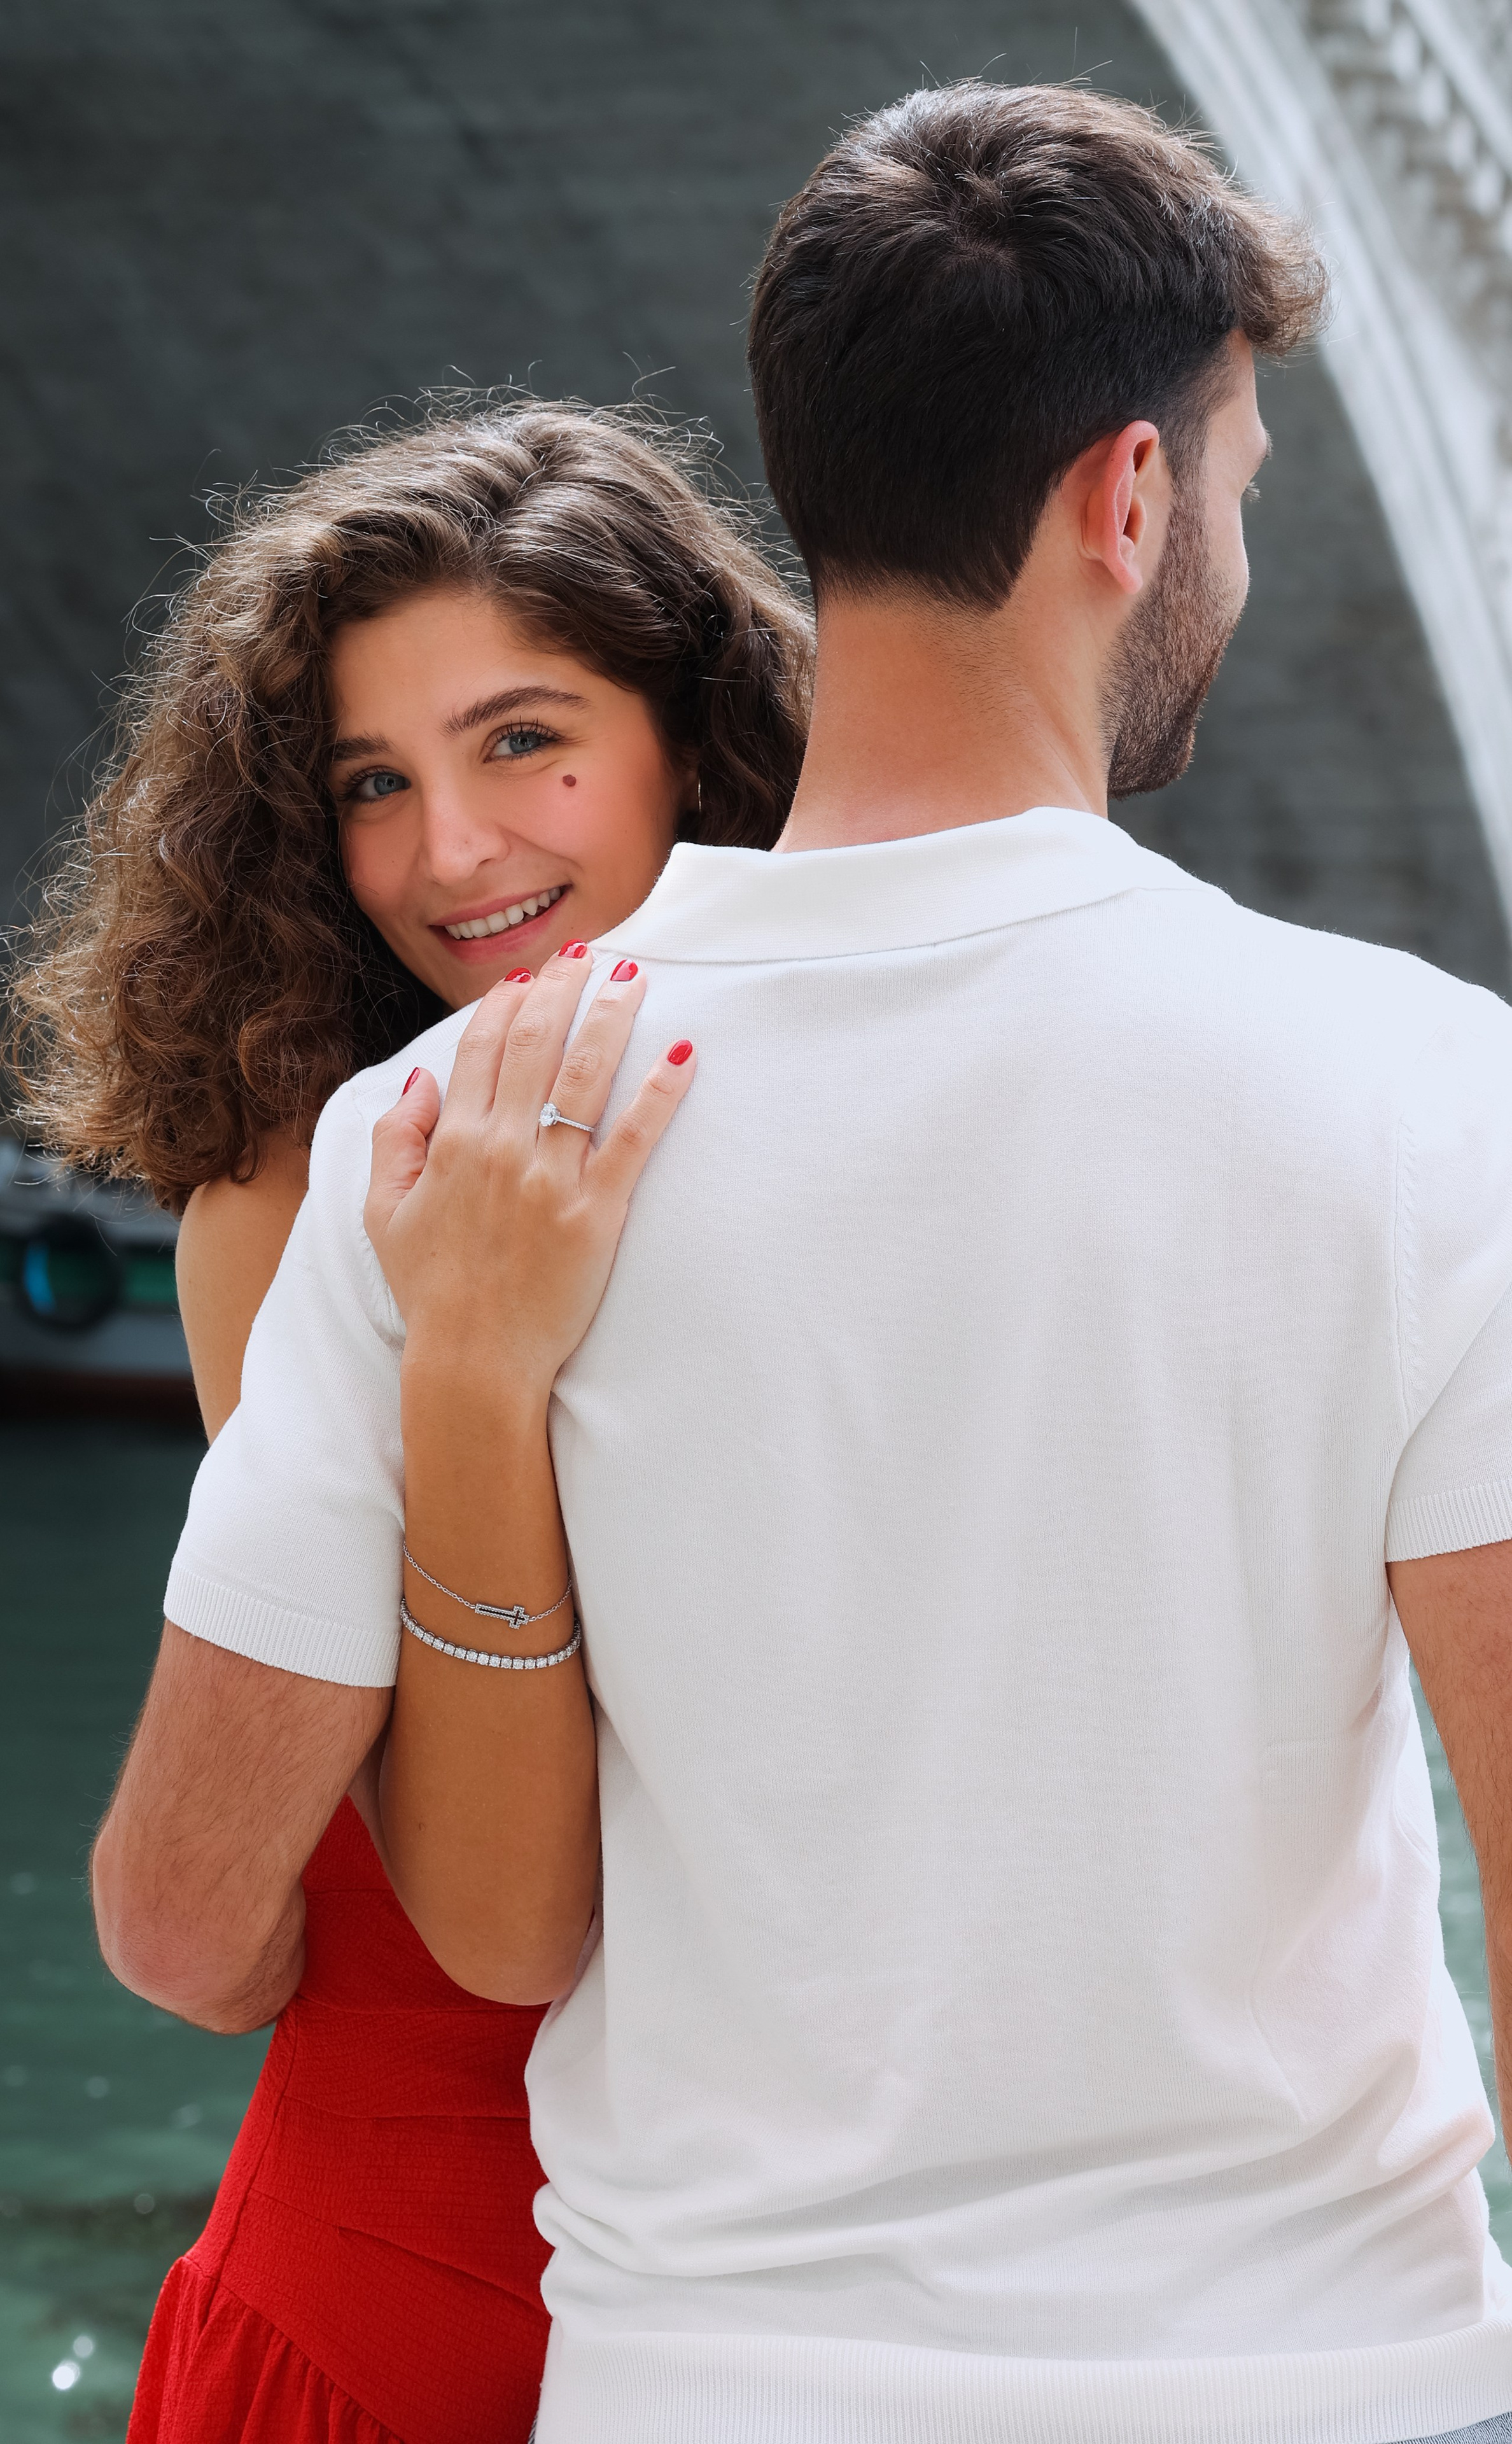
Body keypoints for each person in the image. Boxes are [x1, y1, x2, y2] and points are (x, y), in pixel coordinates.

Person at [157, 76, 1512, 2444]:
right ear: (1128, 495)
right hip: (1331, 2382)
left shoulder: (430, 1147)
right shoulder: (1430, 1094)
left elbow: (378, 1924)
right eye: (1239, 493)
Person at [5, 402, 811, 2443]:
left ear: (696, 745)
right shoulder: (291, 1203)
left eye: (524, 739)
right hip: (405, 2286)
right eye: (379, 782)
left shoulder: (848, 1138)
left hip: (791, 2294)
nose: (451, 850)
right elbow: (300, 1909)